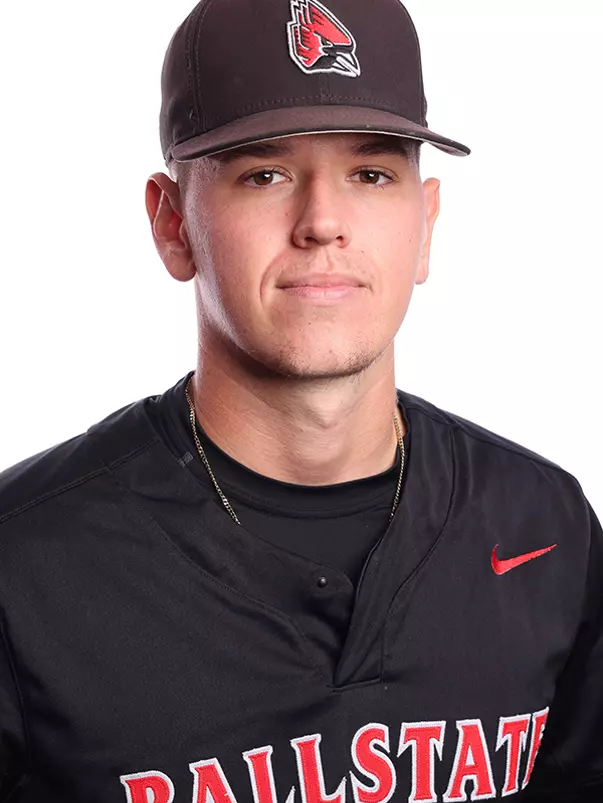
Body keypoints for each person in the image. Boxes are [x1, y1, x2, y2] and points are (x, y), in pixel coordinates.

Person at [0, 0, 601, 800]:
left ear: (423, 226)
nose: (322, 221)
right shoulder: (25, 561)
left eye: (372, 172)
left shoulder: (544, 525)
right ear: (172, 223)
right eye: (265, 173)